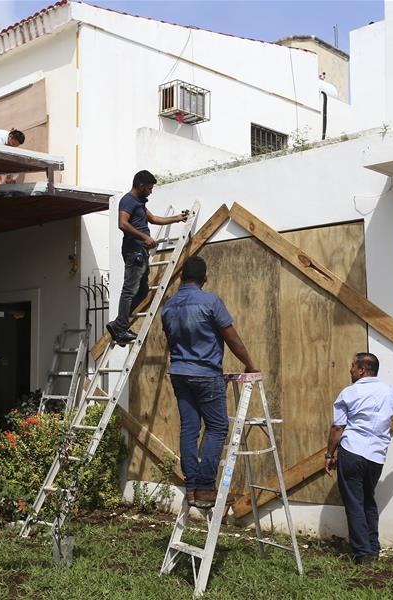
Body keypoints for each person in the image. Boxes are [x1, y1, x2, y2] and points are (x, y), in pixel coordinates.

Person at [161, 256, 259, 509]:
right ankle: (205, 487)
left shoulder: (169, 306)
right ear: (205, 278)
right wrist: (250, 364)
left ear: (182, 277)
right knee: (217, 427)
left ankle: (192, 486)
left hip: (179, 374)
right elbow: (232, 339)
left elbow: (173, 339)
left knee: (189, 428)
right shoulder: (210, 301)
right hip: (205, 374)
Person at [324, 352, 393, 564]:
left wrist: (329, 454)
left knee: (355, 503)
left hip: (352, 452)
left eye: (353, 366)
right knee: (368, 502)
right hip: (375, 458)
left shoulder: (348, 393)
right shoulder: (392, 392)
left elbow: (338, 427)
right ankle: (372, 548)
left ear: (362, 370)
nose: (350, 370)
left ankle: (363, 555)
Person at [106, 170, 189, 345]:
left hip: (141, 251)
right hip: (134, 250)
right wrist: (145, 238)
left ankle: (118, 324)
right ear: (141, 185)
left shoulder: (139, 203)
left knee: (142, 291)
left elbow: (153, 218)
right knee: (129, 290)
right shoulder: (128, 200)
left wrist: (177, 218)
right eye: (149, 188)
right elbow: (122, 224)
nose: (151, 191)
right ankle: (120, 326)